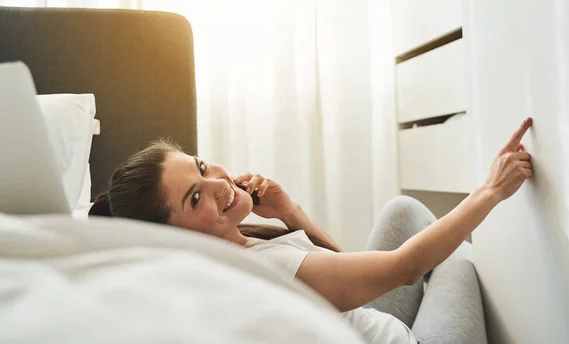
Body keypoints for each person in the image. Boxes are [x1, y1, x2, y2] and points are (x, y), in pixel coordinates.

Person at [89, 117, 534, 344]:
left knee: (403, 211)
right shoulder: (259, 272)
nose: (217, 183)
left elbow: (337, 280)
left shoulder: (239, 247)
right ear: (177, 240)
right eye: (194, 198)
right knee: (452, 255)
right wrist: (491, 191)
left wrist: (290, 213)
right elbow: (405, 268)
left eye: (201, 168)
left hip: (370, 323)